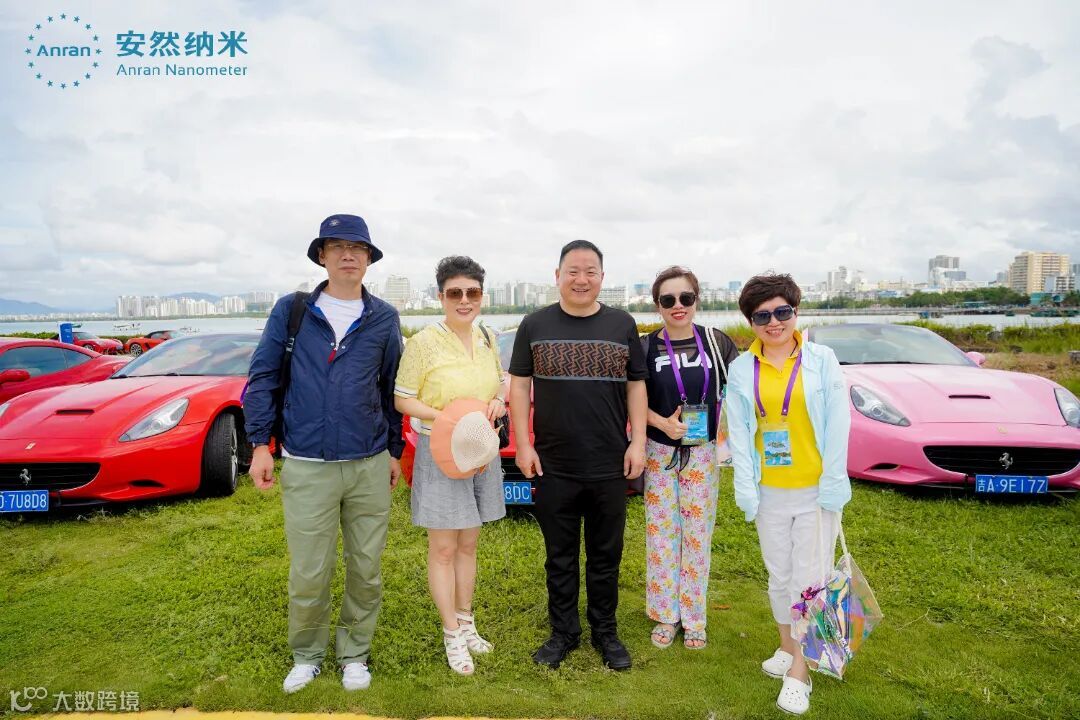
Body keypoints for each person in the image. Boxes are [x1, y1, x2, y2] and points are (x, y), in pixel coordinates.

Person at [244, 213, 404, 694]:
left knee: (366, 567)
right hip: (307, 464)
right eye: (337, 247)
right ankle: (307, 655)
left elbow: (391, 388)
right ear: (322, 256)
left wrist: (394, 451)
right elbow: (263, 377)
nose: (348, 255)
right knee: (310, 570)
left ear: (369, 259)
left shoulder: (383, 317)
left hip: (368, 462)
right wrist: (260, 445)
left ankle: (354, 653)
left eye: (358, 248)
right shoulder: (292, 311)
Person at [508, 239, 648, 671]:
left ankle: (605, 632)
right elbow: (519, 386)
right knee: (560, 557)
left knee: (606, 556)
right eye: (573, 271)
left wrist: (638, 442)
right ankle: (564, 633)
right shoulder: (534, 324)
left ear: (602, 278)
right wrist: (524, 444)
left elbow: (636, 385)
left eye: (590, 272)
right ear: (558, 276)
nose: (581, 279)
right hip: (553, 464)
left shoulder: (622, 324)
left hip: (609, 463)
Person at [724, 273, 851, 716]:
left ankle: (801, 670)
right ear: (751, 321)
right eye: (762, 316)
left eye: (782, 312)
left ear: (796, 312)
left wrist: (833, 480)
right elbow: (741, 434)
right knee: (779, 577)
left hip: (815, 490)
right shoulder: (742, 369)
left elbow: (839, 423)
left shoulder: (821, 359)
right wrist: (745, 487)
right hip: (770, 492)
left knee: (808, 582)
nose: (774, 322)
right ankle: (786, 645)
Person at [393, 255, 507, 676]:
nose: (464, 300)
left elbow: (500, 382)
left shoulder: (488, 337)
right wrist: (444, 418)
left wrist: (499, 400)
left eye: (472, 292)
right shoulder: (423, 343)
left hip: (479, 450)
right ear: (441, 297)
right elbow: (402, 398)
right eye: (455, 292)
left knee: (468, 544)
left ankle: (466, 618)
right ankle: (451, 632)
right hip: (440, 450)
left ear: (482, 296)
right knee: (443, 548)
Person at [640, 266, 739, 651]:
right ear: (658, 305)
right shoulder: (646, 347)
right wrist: (661, 423)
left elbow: (742, 391)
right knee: (662, 536)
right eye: (668, 299)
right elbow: (631, 400)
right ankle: (667, 614)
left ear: (697, 300)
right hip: (659, 451)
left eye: (686, 297)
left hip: (702, 452)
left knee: (697, 535)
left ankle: (694, 617)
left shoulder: (716, 342)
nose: (677, 305)